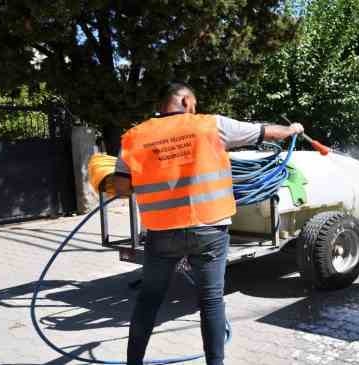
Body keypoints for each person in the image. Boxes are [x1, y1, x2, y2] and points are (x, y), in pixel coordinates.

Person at [112, 82, 303, 365]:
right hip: (209, 229)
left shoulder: (133, 137)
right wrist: (292, 130)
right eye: (195, 102)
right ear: (186, 100)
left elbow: (121, 188)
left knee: (149, 301)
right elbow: (263, 131)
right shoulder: (211, 125)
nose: (196, 108)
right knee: (211, 301)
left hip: (162, 232)